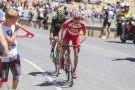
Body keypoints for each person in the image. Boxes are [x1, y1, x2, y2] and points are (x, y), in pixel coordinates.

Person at [0, 9, 33, 90]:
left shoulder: (12, 25)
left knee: (17, 75)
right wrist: (16, 29)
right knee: (3, 79)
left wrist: (25, 35)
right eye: (15, 19)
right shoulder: (1, 28)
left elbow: (15, 35)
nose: (16, 21)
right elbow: (10, 41)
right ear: (8, 19)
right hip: (4, 58)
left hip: (14, 55)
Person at [58, 10, 88, 78]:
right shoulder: (68, 22)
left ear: (79, 18)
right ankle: (62, 59)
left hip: (76, 37)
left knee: (76, 54)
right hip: (67, 36)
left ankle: (74, 71)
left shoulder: (82, 24)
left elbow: (86, 34)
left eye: (78, 18)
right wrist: (60, 40)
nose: (76, 20)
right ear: (72, 17)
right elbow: (61, 31)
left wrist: (80, 42)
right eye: (75, 18)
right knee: (63, 48)